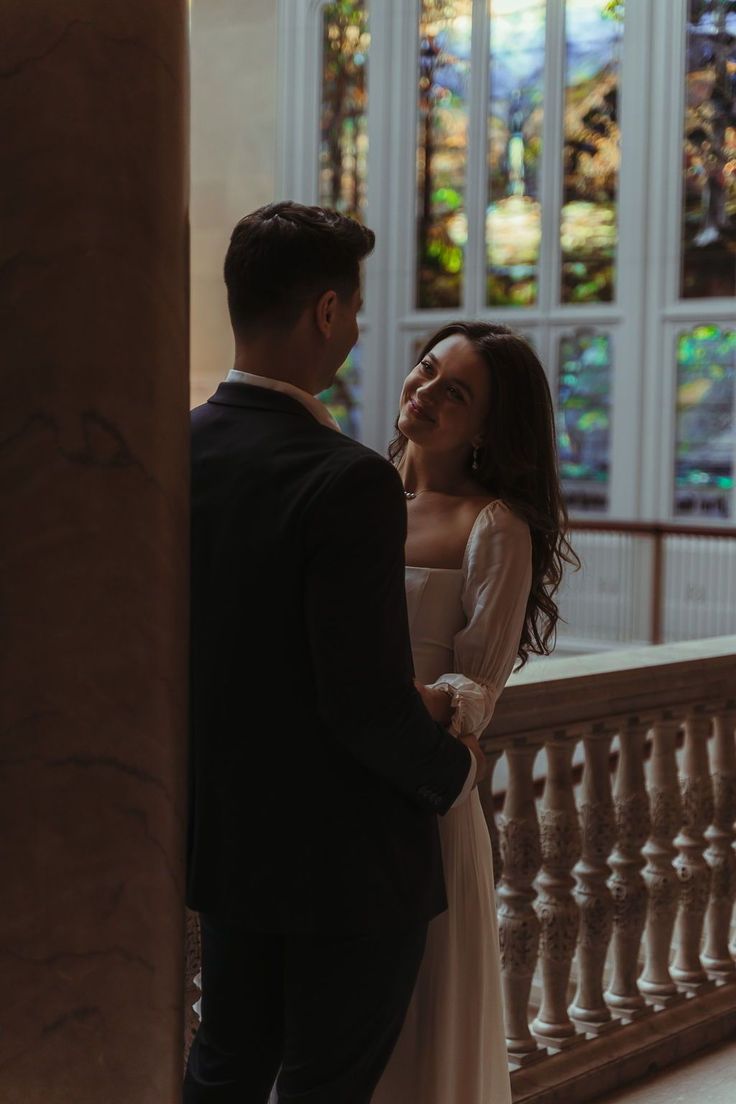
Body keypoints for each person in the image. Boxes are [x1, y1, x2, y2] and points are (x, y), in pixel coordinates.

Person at [183, 203, 487, 1104]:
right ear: (325, 312)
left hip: (227, 844)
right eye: (353, 307)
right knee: (323, 1089)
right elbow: (364, 702)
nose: (356, 326)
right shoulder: (346, 477)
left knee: (224, 1067)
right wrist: (453, 773)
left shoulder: (177, 450)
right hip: (346, 869)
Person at [372, 321, 578, 1104]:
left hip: (423, 798)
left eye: (453, 393)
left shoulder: (493, 525)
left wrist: (400, 699)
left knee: (419, 1021)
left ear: (489, 425)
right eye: (426, 370)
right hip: (336, 787)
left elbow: (474, 695)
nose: (423, 393)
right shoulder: (359, 488)